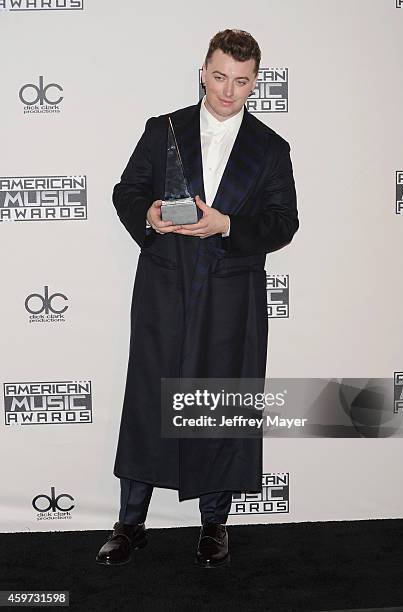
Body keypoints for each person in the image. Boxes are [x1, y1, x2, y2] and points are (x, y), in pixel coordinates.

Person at [96, 28, 299, 568]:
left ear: (256, 82)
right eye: (219, 77)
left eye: (242, 81)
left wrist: (226, 224)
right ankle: (130, 523)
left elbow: (283, 224)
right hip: (165, 284)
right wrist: (151, 214)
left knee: (220, 406)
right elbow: (126, 190)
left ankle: (214, 526)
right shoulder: (162, 129)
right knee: (148, 400)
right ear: (202, 71)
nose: (228, 91)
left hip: (232, 296)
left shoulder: (271, 149)